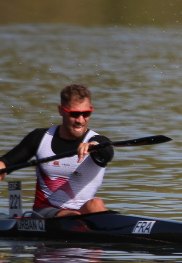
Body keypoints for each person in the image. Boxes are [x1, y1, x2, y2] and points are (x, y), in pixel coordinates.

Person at [0, 84, 113, 217]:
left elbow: (108, 152)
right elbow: (6, 162)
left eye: (86, 113)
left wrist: (94, 145)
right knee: (74, 216)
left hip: (82, 213)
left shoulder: (98, 141)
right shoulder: (41, 137)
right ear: (61, 110)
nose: (81, 120)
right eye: (74, 114)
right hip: (44, 212)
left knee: (96, 204)